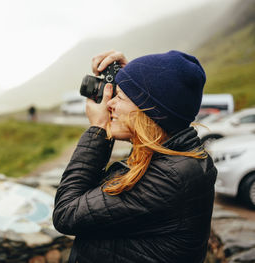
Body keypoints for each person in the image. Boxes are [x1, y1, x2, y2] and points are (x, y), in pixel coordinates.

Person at [53, 50, 217, 263]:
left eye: (119, 97)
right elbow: (156, 109)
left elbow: (66, 213)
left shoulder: (170, 177)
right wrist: (134, 79)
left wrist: (99, 128)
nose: (109, 104)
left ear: (148, 111)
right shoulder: (173, 159)